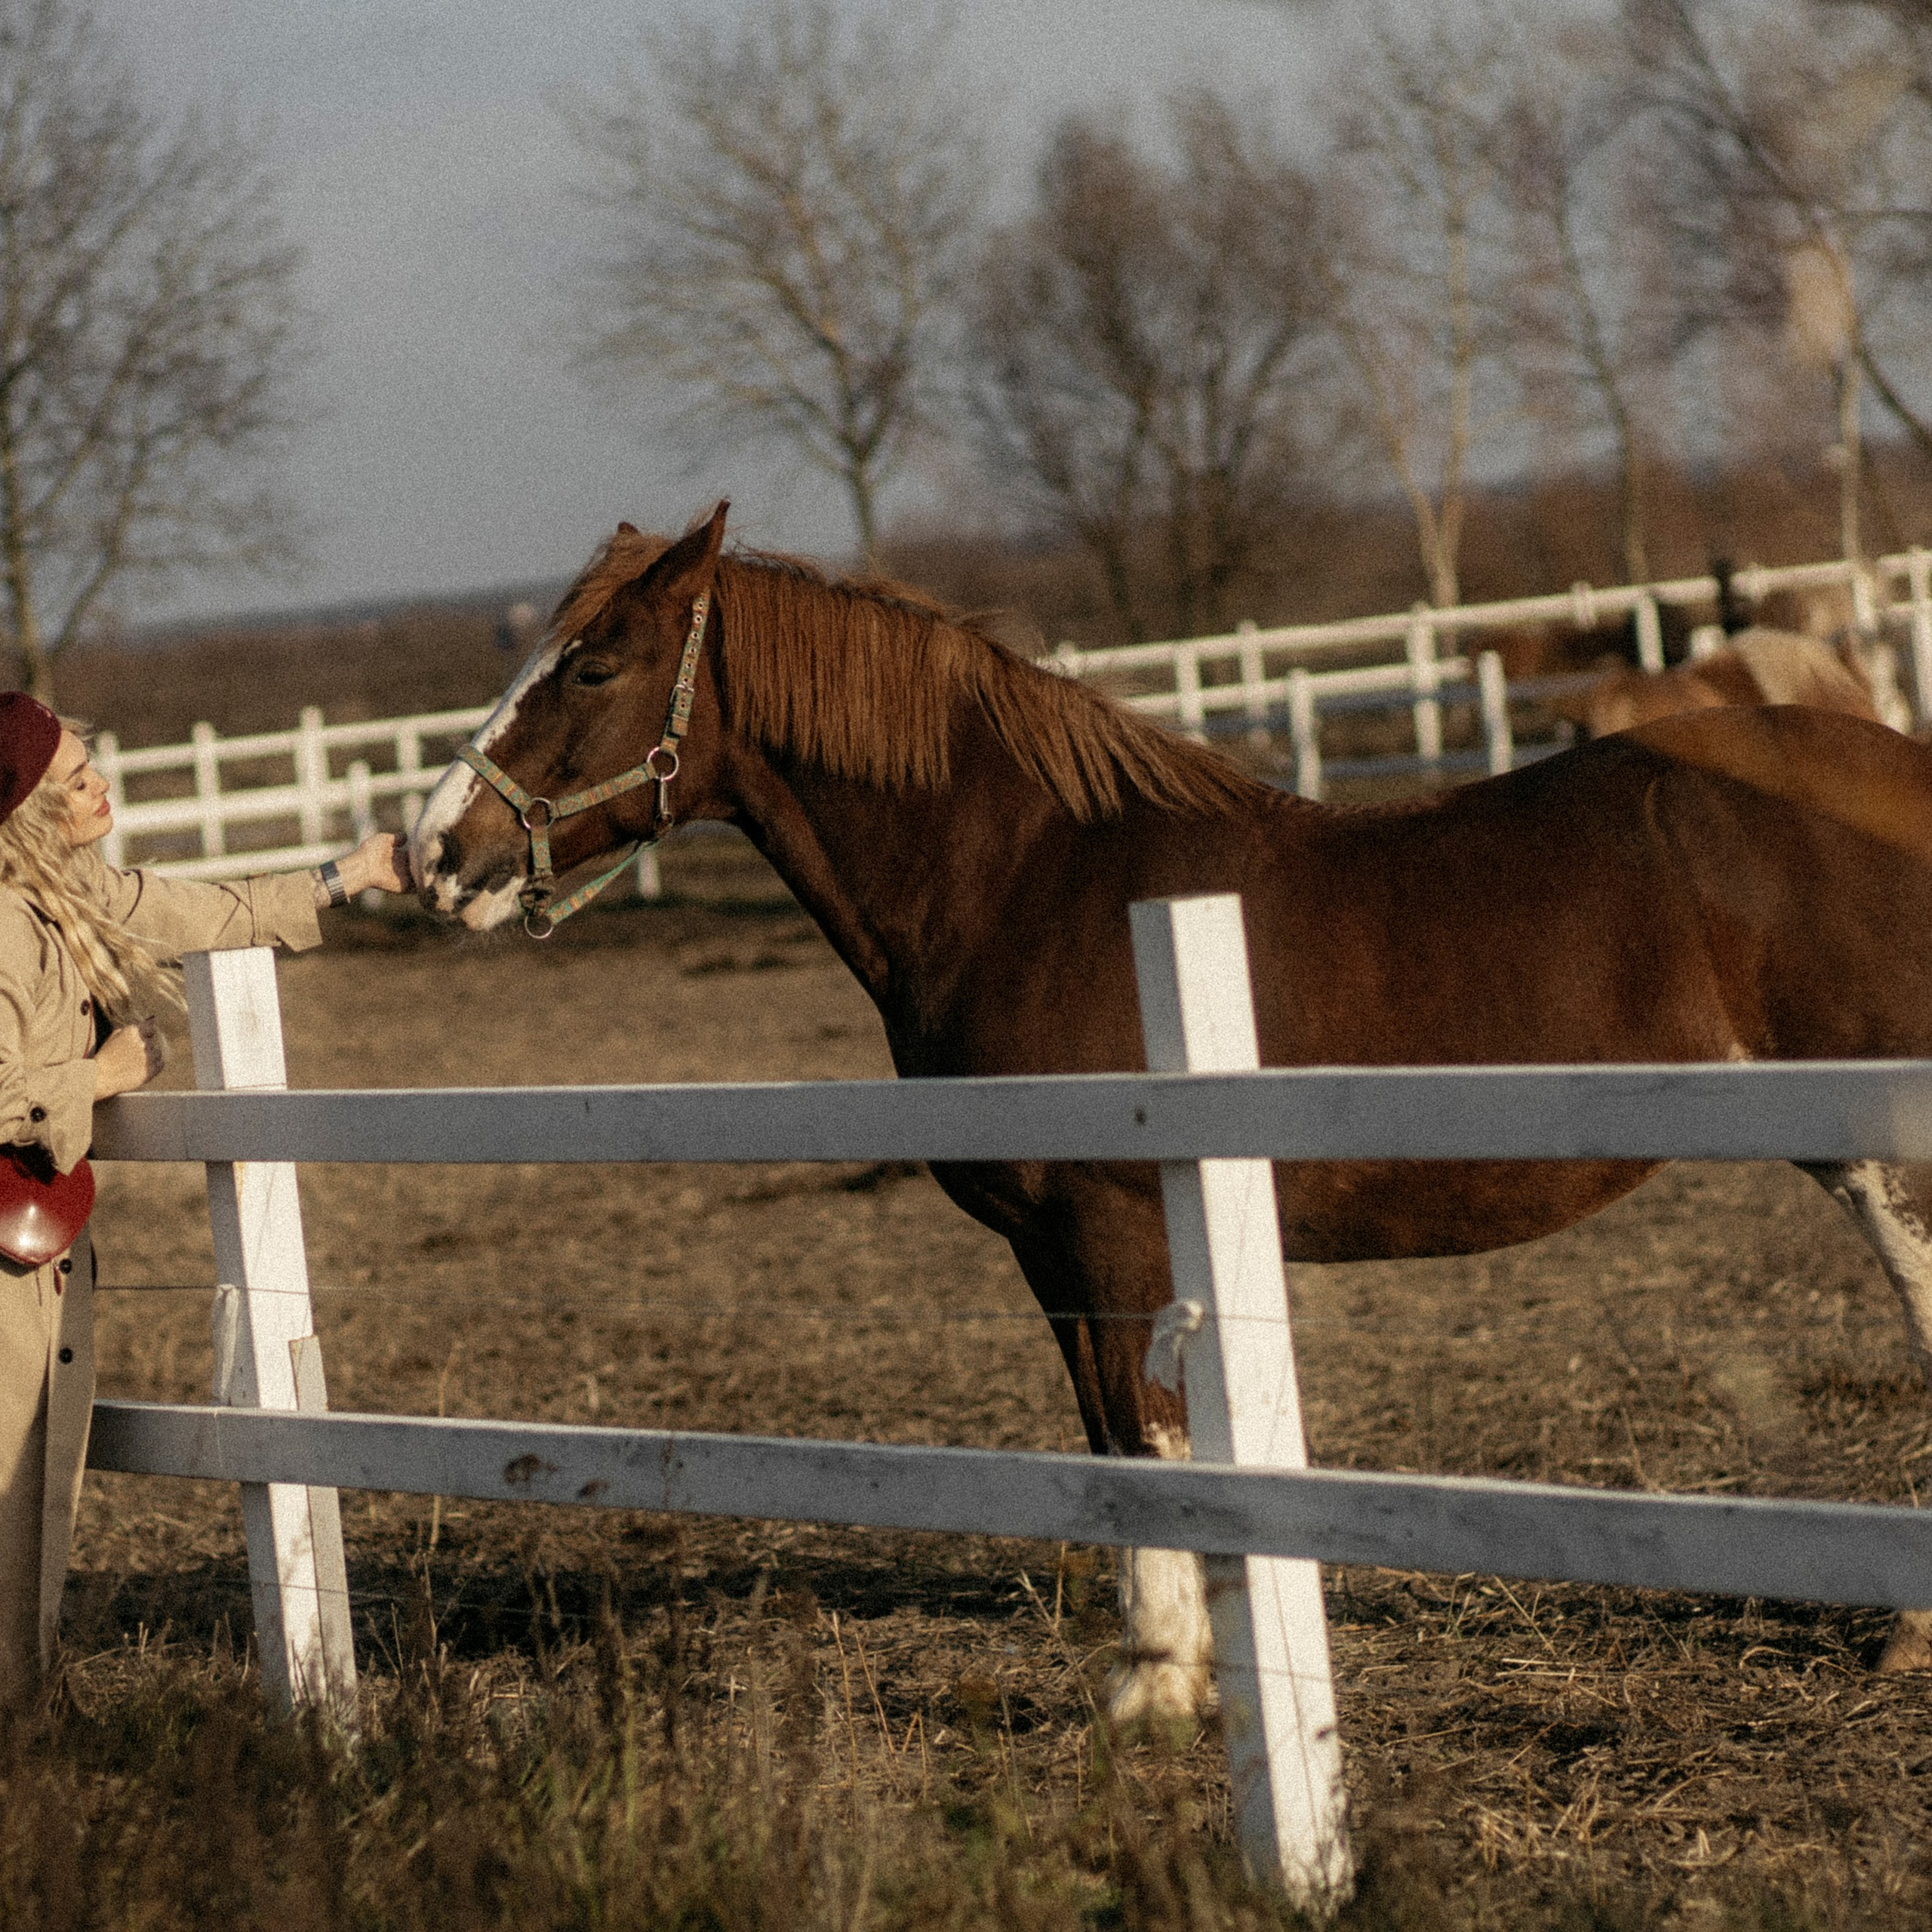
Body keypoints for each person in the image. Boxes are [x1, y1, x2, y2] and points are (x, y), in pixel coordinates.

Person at [0, 692, 412, 1708]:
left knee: (34, 1487)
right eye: (71, 780)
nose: (99, 784)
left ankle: (27, 1722)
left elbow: (205, 910)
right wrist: (101, 1076)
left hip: (37, 1254)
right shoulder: (5, 925)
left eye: (92, 764)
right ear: (22, 812)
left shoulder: (72, 892)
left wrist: (347, 875)